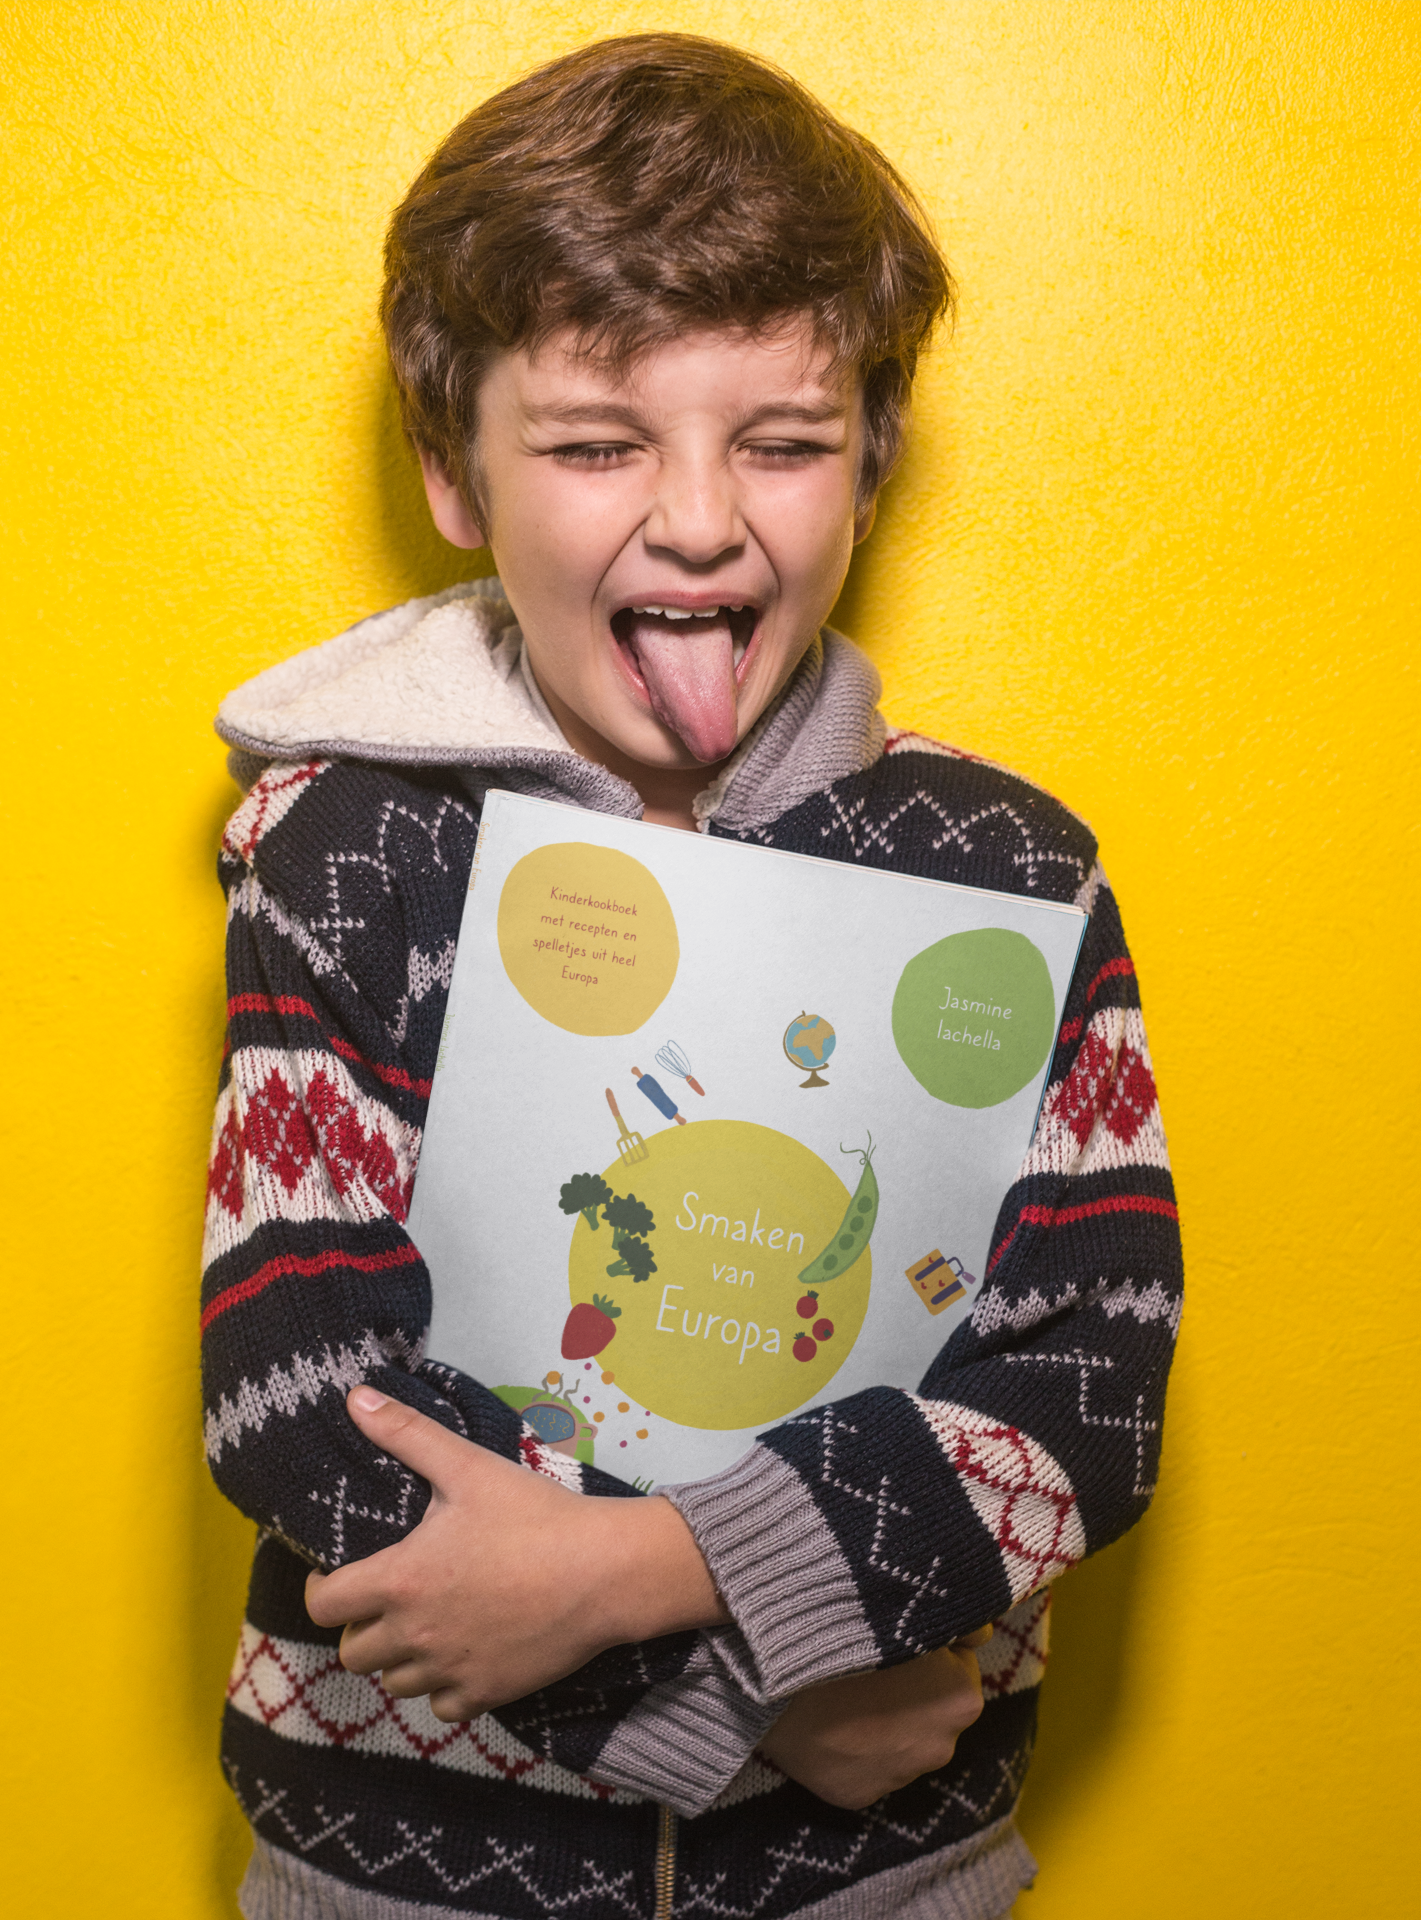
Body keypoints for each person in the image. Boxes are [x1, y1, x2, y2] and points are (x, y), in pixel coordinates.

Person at [203, 33, 1182, 1920]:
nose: (703, 516)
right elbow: (305, 1385)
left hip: (890, 1872)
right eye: (594, 442)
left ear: (873, 469)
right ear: (455, 473)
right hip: (404, 1874)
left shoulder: (1013, 878)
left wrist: (643, 1578)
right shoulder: (346, 859)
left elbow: (1089, 1393)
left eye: (785, 440)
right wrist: (743, 1683)